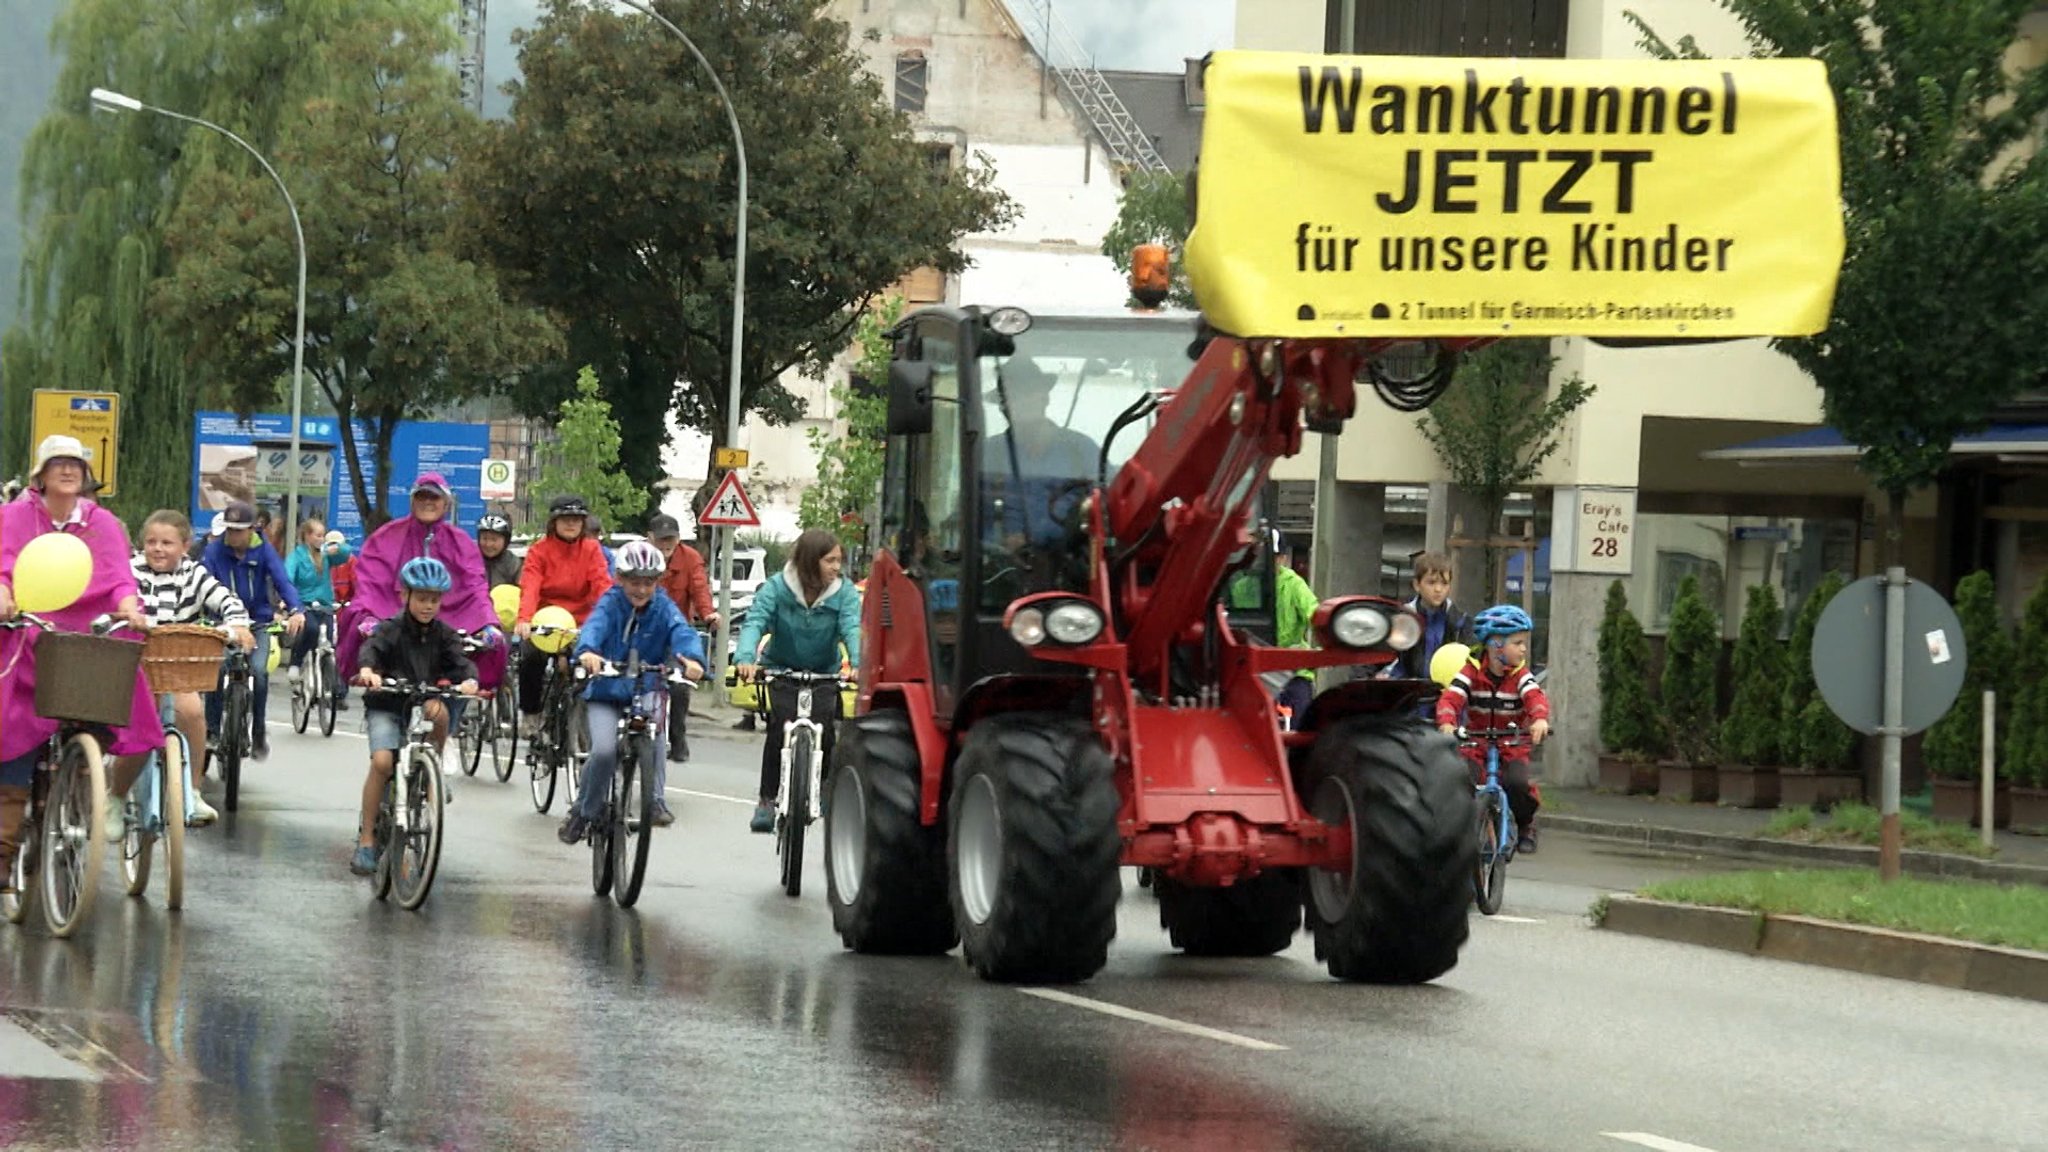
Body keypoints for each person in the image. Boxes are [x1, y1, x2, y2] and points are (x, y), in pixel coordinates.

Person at [1, 436, 162, 895]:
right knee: (12, 725)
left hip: (84, 635)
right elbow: (4, 566)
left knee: (118, 657)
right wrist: (4, 594)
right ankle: (4, 847)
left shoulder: (103, 523)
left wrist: (130, 607)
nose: (68, 471)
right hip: (27, 626)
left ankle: (87, 769)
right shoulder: (13, 516)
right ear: (41, 474)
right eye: (58, 464)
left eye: (76, 464)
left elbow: (118, 579)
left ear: (85, 476)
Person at [556, 542, 705, 843]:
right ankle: (583, 812)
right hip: (606, 691)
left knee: (656, 736)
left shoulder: (663, 606)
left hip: (646, 687)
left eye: (648, 582)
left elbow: (681, 631)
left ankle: (653, 797)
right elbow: (593, 629)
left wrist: (692, 659)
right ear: (620, 579)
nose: (641, 589)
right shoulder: (610, 603)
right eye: (634, 582)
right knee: (603, 751)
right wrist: (588, 653)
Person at [118, 510, 256, 828]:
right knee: (137, 726)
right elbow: (116, 597)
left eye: (167, 542)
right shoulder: (130, 571)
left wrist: (236, 623)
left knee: (193, 712)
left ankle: (192, 791)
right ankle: (116, 795)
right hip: (135, 666)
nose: (158, 549)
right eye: (151, 541)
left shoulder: (194, 574)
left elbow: (226, 599)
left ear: (185, 545)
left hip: (177, 667)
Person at [337, 471, 505, 721]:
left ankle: (451, 729)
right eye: (421, 497)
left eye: (434, 498)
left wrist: (487, 623)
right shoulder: (386, 537)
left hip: (448, 625)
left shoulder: (461, 542)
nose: (428, 502)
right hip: (397, 620)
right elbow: (370, 582)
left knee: (490, 647)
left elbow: (475, 587)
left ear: (446, 504)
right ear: (412, 501)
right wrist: (369, 616)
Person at [348, 557, 478, 877]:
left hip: (422, 705)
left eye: (434, 600)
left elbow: (461, 661)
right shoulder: (390, 629)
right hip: (387, 705)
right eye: (421, 598)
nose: (427, 606)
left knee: (439, 710)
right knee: (382, 762)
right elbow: (371, 650)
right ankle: (366, 840)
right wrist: (368, 672)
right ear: (404, 595)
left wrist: (469, 679)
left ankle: (434, 762)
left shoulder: (444, 635)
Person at [735, 529, 861, 833]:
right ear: (809, 561)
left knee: (827, 732)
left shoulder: (843, 593)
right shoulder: (778, 587)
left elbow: (852, 627)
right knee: (778, 729)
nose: (836, 567)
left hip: (824, 672)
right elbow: (756, 620)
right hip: (782, 669)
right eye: (829, 560)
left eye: (838, 561)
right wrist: (745, 658)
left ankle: (824, 791)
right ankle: (766, 800)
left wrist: (859, 664)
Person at [1435, 604, 1551, 855]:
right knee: (1463, 779)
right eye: (1517, 642)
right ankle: (1464, 828)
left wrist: (1539, 719)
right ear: (1496, 645)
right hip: (1476, 742)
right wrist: (1447, 722)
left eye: (1524, 643)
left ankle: (1526, 824)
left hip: (1511, 743)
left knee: (1518, 783)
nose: (1523, 649)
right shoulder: (1471, 671)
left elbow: (1535, 697)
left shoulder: (1521, 675)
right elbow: (1450, 699)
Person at [201, 500, 306, 761]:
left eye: (239, 530)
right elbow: (204, 582)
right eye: (230, 529)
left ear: (252, 529)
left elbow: (282, 580)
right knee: (219, 669)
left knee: (259, 672)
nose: (233, 535)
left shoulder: (264, 551)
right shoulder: (214, 551)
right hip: (223, 623)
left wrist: (296, 610)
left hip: (258, 621)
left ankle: (258, 730)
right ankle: (212, 730)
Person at [514, 495, 613, 733]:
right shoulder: (539, 551)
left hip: (581, 621)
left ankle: (591, 713)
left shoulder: (591, 550)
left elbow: (602, 585)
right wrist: (525, 619)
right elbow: (531, 586)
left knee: (599, 661)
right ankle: (531, 712)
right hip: (546, 620)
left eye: (577, 520)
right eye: (565, 519)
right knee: (530, 657)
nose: (571, 524)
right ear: (553, 522)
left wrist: (612, 617)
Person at [982, 358, 1102, 553]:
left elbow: (1109, 508)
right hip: (1000, 574)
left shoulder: (1082, 451)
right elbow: (965, 519)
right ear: (1002, 406)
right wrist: (999, 544)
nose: (1023, 401)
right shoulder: (987, 454)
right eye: (1014, 395)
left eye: (1030, 392)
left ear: (1045, 398)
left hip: (1074, 573)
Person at [648, 514, 716, 764]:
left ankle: (678, 738)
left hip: (676, 633)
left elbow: (700, 589)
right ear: (650, 538)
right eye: (661, 539)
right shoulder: (640, 557)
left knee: (679, 684)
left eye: (671, 539)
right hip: (641, 631)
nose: (666, 544)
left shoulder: (690, 558)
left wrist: (708, 613)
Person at [285, 516, 351, 711]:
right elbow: (287, 578)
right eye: (318, 535)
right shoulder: (297, 556)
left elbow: (346, 555)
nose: (321, 539)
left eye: (323, 535)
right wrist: (288, 602)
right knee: (311, 629)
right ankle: (296, 663)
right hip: (305, 604)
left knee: (330, 640)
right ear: (307, 536)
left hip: (325, 606)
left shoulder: (326, 556)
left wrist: (336, 547)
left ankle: (326, 681)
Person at [1387, 550, 1469, 683]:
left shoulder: (1461, 622)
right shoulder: (1401, 618)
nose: (1438, 589)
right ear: (1417, 585)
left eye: (1444, 583)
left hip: (1447, 694)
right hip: (1407, 694)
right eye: (1431, 583)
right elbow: (1375, 659)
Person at [477, 513, 523, 589]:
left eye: (494, 539)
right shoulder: (471, 560)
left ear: (506, 541)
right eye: (484, 538)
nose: (488, 544)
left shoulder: (513, 564)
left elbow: (524, 590)